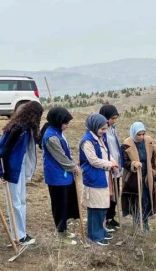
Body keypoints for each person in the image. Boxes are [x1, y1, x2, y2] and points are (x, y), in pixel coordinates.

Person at [0, 101, 44, 246]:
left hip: (18, 169)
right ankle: (18, 235)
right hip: (11, 170)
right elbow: (5, 151)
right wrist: (6, 172)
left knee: (20, 201)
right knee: (14, 202)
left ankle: (21, 232)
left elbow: (38, 142)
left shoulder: (27, 127)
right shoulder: (18, 128)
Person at [39, 107, 80, 245]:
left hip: (63, 175)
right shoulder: (51, 137)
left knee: (66, 203)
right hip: (57, 176)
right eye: (66, 123)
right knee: (59, 205)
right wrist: (73, 167)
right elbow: (61, 157)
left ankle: (64, 229)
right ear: (58, 121)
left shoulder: (58, 132)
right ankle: (61, 233)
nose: (67, 126)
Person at [79, 114, 118, 245]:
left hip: (102, 176)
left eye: (105, 129)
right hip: (93, 177)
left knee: (103, 205)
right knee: (95, 207)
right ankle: (94, 235)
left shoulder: (100, 139)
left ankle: (100, 230)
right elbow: (93, 161)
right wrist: (110, 164)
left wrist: (113, 162)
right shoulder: (87, 141)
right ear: (94, 127)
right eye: (102, 129)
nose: (104, 131)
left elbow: (107, 154)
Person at [121, 122, 156, 231]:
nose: (141, 137)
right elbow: (124, 162)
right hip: (134, 177)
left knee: (146, 199)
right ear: (134, 133)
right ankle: (138, 224)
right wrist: (133, 164)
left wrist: (153, 169)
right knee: (136, 200)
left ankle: (145, 223)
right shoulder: (127, 143)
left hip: (146, 176)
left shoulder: (148, 141)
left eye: (143, 134)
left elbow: (153, 157)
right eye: (139, 134)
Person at [99, 104, 123, 231]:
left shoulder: (113, 129)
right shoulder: (101, 131)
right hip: (108, 168)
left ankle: (111, 217)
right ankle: (105, 219)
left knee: (115, 194)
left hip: (116, 166)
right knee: (108, 194)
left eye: (115, 118)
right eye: (112, 118)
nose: (114, 120)